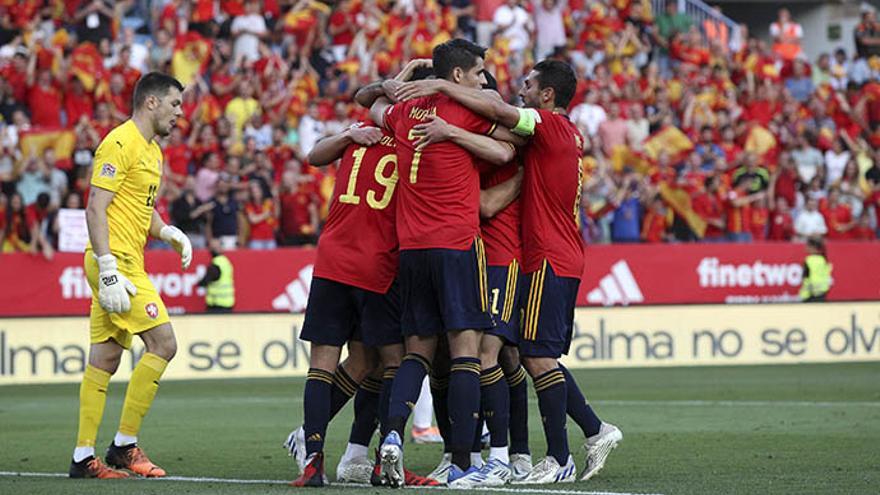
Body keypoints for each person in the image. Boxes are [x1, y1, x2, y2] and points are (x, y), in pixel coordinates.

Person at [395, 58, 622, 484]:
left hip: (546, 257)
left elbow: (498, 116)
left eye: (530, 84)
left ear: (547, 95)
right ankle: (590, 432)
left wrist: (439, 93)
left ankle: (548, 457)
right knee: (524, 354)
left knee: (528, 356)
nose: (523, 89)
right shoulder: (559, 134)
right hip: (550, 254)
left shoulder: (547, 126)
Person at [367, 39, 517, 487]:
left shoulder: (401, 113)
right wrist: (457, 130)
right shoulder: (465, 110)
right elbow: (510, 145)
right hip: (456, 244)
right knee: (466, 350)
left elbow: (374, 104)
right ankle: (466, 461)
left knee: (418, 351)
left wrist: (406, 76)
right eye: (476, 74)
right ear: (457, 77)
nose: (483, 81)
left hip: (412, 249)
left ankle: (392, 436)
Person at [69, 72, 191, 480]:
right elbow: (94, 208)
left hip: (126, 261)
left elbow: (140, 207)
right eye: (174, 104)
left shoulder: (152, 151)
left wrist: (167, 231)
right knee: (164, 343)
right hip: (114, 262)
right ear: (151, 103)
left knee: (104, 358)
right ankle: (124, 445)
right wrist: (106, 269)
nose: (180, 113)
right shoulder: (118, 142)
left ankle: (83, 457)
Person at [197, 239, 235, 313]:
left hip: (217, 305)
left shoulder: (215, 264)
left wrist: (199, 282)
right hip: (228, 303)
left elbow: (205, 281)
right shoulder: (226, 261)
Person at [799, 237, 832, 302]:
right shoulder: (824, 259)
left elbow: (805, 278)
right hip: (822, 293)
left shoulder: (809, 260)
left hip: (810, 294)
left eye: (807, 245)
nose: (805, 247)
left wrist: (804, 295)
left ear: (812, 247)